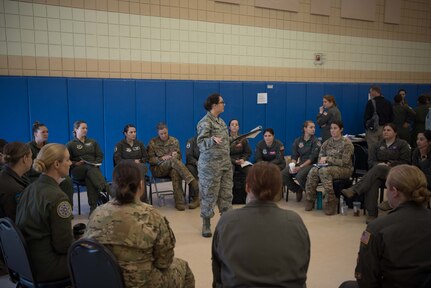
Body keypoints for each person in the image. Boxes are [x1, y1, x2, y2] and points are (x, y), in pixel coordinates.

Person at [84, 161, 195, 288]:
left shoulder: (97, 213)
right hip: (140, 284)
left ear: (113, 185)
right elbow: (164, 262)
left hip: (102, 282)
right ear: (141, 185)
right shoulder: (152, 215)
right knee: (183, 268)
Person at [212, 162, 310, 287]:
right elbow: (302, 271)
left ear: (247, 187)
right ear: (277, 189)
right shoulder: (295, 221)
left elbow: (218, 274)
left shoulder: (227, 221)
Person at [339, 165, 431, 288]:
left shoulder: (377, 228)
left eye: (387, 188)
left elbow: (366, 281)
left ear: (395, 192)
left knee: (346, 286)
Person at [16, 143, 73, 282]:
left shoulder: (30, 188)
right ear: (57, 164)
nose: (71, 163)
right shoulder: (58, 198)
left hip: (26, 263)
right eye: (67, 160)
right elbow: (63, 246)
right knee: (96, 259)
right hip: (48, 266)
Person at [342, 123, 411, 223]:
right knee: (373, 181)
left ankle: (354, 189)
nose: (385, 132)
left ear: (395, 133)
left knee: (378, 170)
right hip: (378, 173)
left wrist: (389, 164)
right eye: (384, 130)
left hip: (396, 172)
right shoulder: (377, 145)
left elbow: (405, 162)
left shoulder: (402, 144)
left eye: (389, 130)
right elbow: (371, 162)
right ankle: (372, 214)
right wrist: (379, 164)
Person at [197, 93, 233, 237]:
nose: (224, 104)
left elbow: (223, 140)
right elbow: (200, 144)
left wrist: (235, 140)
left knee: (226, 195)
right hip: (210, 167)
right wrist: (211, 140)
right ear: (214, 105)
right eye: (222, 102)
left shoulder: (221, 122)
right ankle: (206, 224)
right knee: (209, 195)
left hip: (225, 164)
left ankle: (226, 224)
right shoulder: (205, 122)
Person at [305, 120, 354, 215]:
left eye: (335, 128)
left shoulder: (347, 143)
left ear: (341, 129)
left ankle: (331, 201)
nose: (332, 130)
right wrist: (322, 161)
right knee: (313, 170)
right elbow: (320, 157)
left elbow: (345, 162)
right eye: (331, 128)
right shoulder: (327, 142)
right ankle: (310, 199)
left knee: (324, 171)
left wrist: (328, 159)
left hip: (345, 169)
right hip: (328, 167)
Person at [147, 122, 200, 211]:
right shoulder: (152, 142)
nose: (163, 135)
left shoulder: (174, 141)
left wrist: (175, 155)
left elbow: (179, 157)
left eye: (165, 133)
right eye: (161, 134)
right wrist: (162, 158)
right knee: (173, 161)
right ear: (158, 133)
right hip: (158, 169)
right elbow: (150, 160)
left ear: (167, 131)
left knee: (175, 171)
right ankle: (192, 182)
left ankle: (179, 202)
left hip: (173, 167)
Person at [66, 120, 110, 214]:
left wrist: (95, 162)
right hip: (77, 171)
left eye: (86, 128)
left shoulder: (93, 142)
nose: (85, 130)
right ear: (76, 129)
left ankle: (93, 208)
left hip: (91, 170)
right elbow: (66, 161)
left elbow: (100, 155)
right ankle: (105, 187)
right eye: (83, 128)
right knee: (89, 169)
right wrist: (75, 163)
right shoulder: (70, 144)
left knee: (89, 177)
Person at [28, 121, 74, 205]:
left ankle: (67, 206)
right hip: (34, 177)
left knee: (67, 180)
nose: (46, 134)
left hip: (51, 174)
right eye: (43, 132)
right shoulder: (28, 148)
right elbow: (27, 169)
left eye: (47, 132)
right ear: (35, 134)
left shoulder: (50, 146)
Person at [282, 120, 321, 202]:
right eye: (311, 127)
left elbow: (312, 158)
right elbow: (294, 155)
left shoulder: (316, 141)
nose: (313, 129)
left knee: (299, 176)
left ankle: (312, 193)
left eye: (314, 127)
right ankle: (297, 189)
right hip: (301, 163)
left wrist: (300, 167)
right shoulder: (298, 140)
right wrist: (292, 165)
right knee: (284, 173)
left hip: (312, 164)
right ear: (305, 129)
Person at [114, 124, 148, 203]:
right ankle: (140, 199)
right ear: (125, 133)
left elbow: (146, 157)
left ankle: (142, 199)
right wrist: (132, 162)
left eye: (135, 132)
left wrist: (140, 161)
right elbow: (118, 160)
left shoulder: (140, 144)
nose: (134, 134)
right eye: (131, 132)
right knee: (138, 172)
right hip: (126, 169)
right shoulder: (119, 145)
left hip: (140, 166)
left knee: (140, 169)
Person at [0, 142, 32, 221]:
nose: (32, 160)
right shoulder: (14, 189)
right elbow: (18, 220)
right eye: (31, 157)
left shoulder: (6, 174)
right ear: (25, 159)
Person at [229, 119, 252, 204]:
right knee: (229, 171)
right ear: (229, 127)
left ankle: (248, 196)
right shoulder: (226, 139)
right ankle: (229, 197)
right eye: (232, 124)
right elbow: (224, 154)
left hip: (241, 161)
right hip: (230, 161)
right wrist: (234, 161)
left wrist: (243, 159)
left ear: (238, 127)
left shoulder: (243, 139)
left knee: (250, 171)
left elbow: (248, 152)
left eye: (236, 124)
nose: (234, 126)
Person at [364, 86, 393, 152]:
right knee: (383, 148)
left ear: (375, 92)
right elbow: (392, 117)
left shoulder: (371, 102)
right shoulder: (388, 102)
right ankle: (382, 161)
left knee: (372, 149)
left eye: (371, 92)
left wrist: (367, 127)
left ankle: (373, 162)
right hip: (385, 129)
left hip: (374, 129)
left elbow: (366, 117)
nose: (370, 93)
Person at [185, 135, 200, 208]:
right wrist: (196, 163)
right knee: (190, 169)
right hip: (194, 164)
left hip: (207, 164)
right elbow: (188, 156)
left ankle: (213, 195)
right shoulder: (191, 141)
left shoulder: (210, 140)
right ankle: (195, 197)